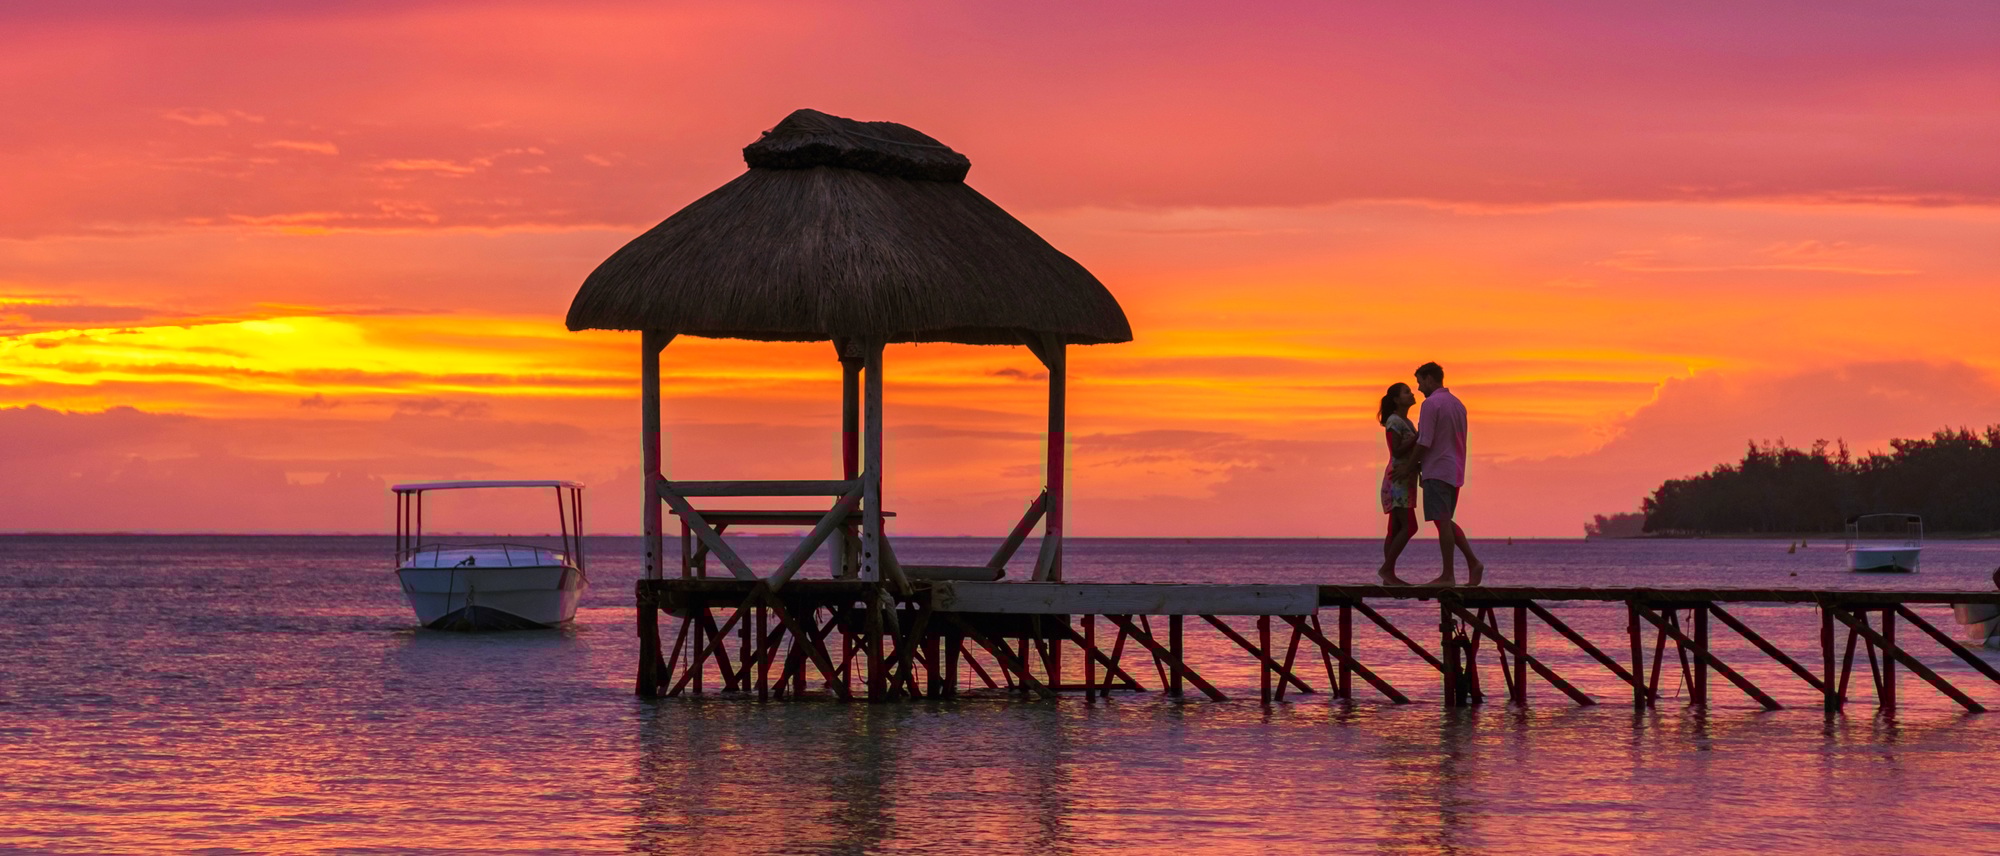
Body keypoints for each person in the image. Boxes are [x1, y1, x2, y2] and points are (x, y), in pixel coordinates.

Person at [1413, 362, 1484, 586]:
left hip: (1437, 469)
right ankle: (1472, 563)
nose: (1419, 388)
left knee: (1442, 522)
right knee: (1444, 520)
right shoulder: (1458, 404)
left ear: (1430, 379)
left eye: (1420, 382)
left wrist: (1410, 466)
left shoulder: (1430, 404)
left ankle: (1448, 575)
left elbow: (1424, 440)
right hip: (1455, 469)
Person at [1376, 382, 1420, 585]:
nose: (1411, 394)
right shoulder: (1394, 421)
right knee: (1410, 526)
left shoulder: (1406, 421)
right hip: (1398, 480)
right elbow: (1396, 450)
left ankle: (1389, 575)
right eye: (1406, 392)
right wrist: (1418, 437)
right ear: (1396, 399)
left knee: (1395, 529)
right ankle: (1387, 570)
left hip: (1405, 479)